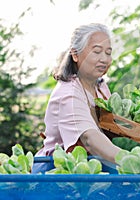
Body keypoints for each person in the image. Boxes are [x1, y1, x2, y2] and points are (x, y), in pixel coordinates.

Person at [32, 23, 121, 173]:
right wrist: (130, 159)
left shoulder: (101, 87)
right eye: (97, 51)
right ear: (75, 55)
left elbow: (113, 125)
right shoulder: (69, 93)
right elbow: (90, 139)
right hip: (59, 170)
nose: (104, 59)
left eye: (108, 52)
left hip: (91, 165)